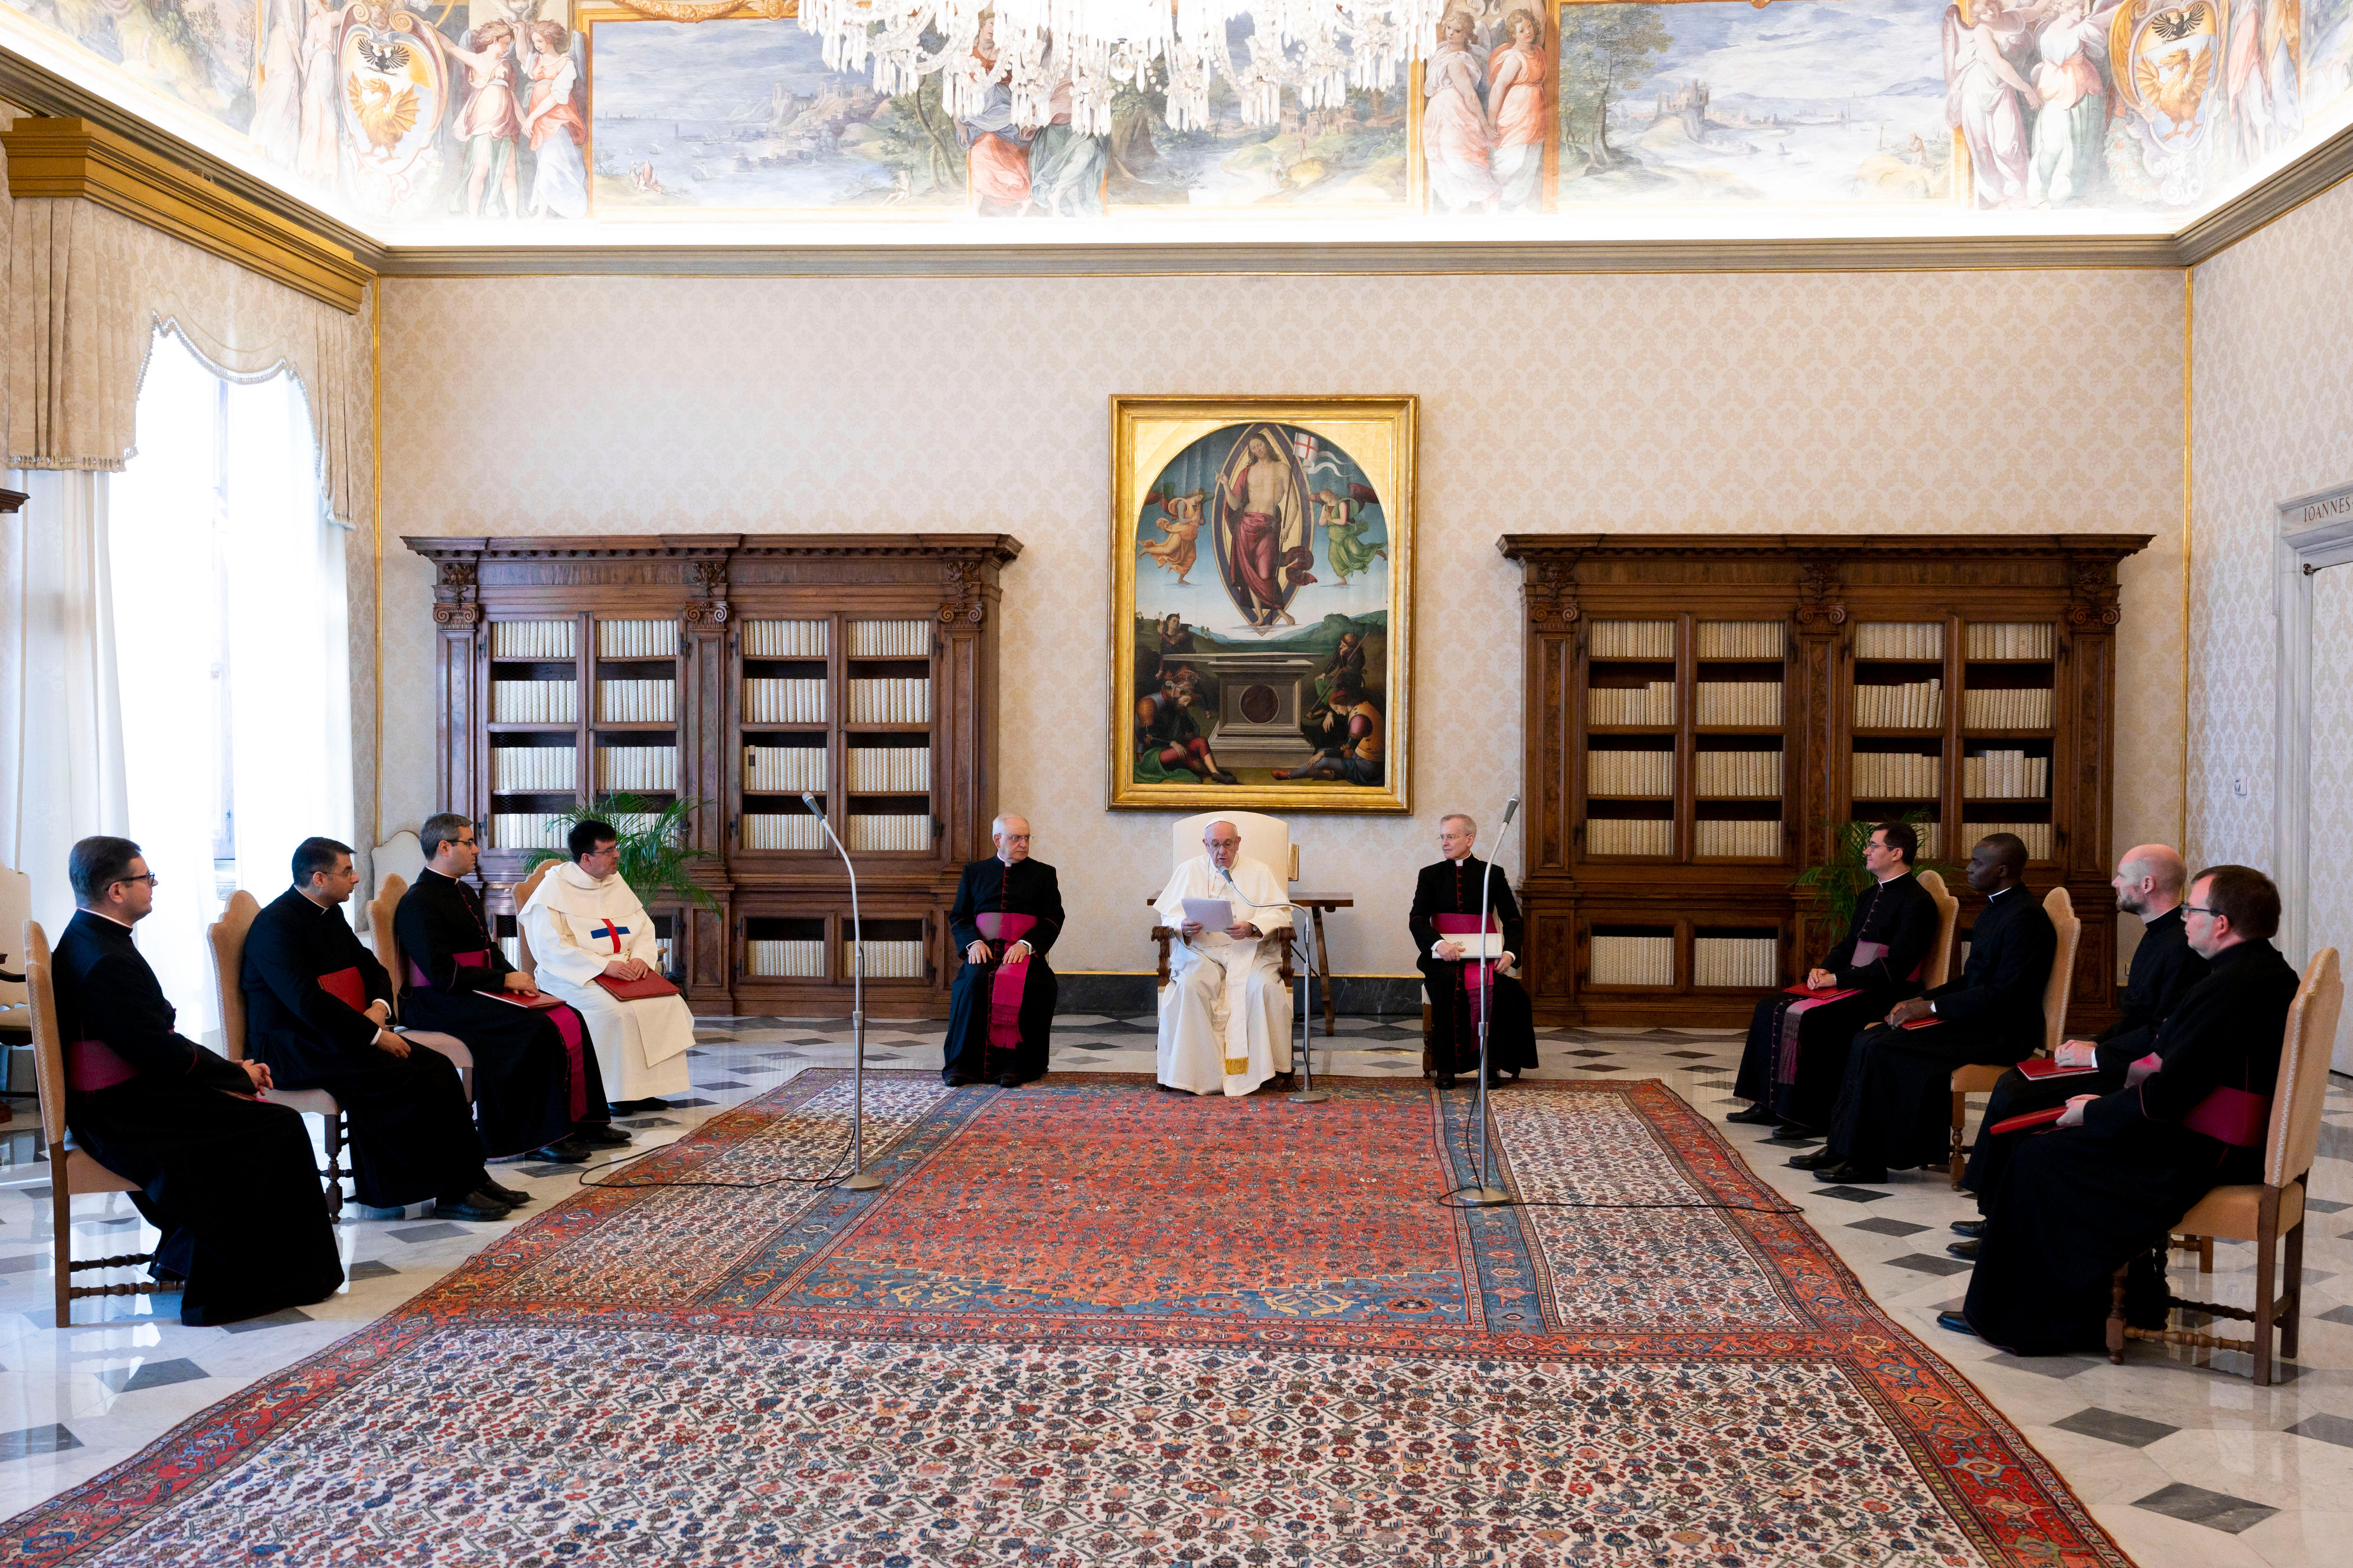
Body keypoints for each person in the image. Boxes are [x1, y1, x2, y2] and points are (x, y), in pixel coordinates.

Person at [1950, 866, 2300, 1354]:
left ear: (2222, 923)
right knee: (2048, 1147)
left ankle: (2045, 1319)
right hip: (2222, 1137)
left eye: (2193, 910)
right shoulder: (2266, 971)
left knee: (2040, 1158)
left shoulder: (2228, 987)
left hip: (2208, 1148)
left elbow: (2171, 1092)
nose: (2185, 918)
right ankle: (2127, 1300)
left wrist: (2095, 1112)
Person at [51, 836, 344, 1325]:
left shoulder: (90, 936)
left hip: (122, 1097)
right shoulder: (105, 958)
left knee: (268, 1123)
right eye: (146, 878)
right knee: (277, 1126)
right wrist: (236, 1074)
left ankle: (195, 1253)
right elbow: (159, 1050)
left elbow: (152, 1041)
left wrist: (226, 1076)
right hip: (124, 1113)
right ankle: (252, 1281)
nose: (153, 885)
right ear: (116, 890)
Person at [244, 837, 525, 1221]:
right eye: (347, 871)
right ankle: (443, 1189)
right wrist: (374, 1036)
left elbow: (371, 966)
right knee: (401, 1076)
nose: (356, 878)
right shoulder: (276, 926)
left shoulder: (328, 912)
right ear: (319, 878)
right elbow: (307, 1002)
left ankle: (471, 1175)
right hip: (288, 1047)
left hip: (333, 1034)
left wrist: (379, 1007)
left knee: (438, 1067)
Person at [1953, 844, 2206, 1251]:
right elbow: (2135, 1020)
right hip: (2125, 1056)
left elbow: (2164, 1032)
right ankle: (1997, 1213)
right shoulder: (2158, 934)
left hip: (2141, 1077)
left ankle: (2004, 1223)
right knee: (2016, 1082)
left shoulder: (2180, 946)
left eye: (2121, 876)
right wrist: (2095, 1042)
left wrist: (2096, 1055)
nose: (2113, 883)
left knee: (2019, 1092)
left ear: (2147, 884)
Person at [1792, 833, 2055, 1184]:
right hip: (1978, 1018)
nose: (1969, 868)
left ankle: (1868, 1160)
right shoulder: (1997, 908)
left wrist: (1932, 1007)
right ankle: (1842, 1147)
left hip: (2001, 1031)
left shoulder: (2025, 917)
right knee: (1867, 1039)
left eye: (1977, 863)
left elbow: (2004, 995)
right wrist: (1922, 1000)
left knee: (1883, 1047)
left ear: (2003, 870)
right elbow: (1972, 980)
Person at [395, 813, 625, 1164]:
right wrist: (502, 981)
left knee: (569, 1015)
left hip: (472, 989)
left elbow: (489, 950)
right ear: (444, 847)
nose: (476, 850)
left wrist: (516, 977)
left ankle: (585, 1121)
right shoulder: (418, 901)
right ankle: (540, 1137)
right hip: (436, 1000)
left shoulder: (463, 891)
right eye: (469, 842)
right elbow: (441, 974)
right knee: (534, 1028)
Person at [1728, 823, 1939, 1132]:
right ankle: (1769, 1103)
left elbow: (1897, 966)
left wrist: (1838, 980)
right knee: (1769, 1007)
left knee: (1815, 1019)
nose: (1866, 851)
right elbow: (1848, 945)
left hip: (1888, 989)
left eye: (1874, 845)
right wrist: (1824, 969)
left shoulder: (1918, 902)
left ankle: (1808, 1116)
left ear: (1897, 853)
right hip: (1854, 980)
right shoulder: (1870, 894)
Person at [519, 819, 694, 1113]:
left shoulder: (615, 881)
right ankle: (613, 1093)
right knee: (615, 1012)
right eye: (609, 850)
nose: (617, 855)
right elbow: (550, 948)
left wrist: (641, 958)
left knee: (665, 1003)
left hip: (626, 970)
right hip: (574, 976)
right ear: (586, 858)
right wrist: (602, 967)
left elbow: (644, 927)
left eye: (616, 848)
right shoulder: (553, 889)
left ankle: (647, 1089)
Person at [1155, 820, 1295, 1096]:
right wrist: (1183, 925)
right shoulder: (1188, 870)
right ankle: (1194, 1074)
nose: (1221, 852)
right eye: (1215, 845)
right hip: (1201, 953)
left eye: (1228, 844)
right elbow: (1167, 914)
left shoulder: (1259, 871)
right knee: (1191, 986)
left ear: (1238, 843)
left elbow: (1280, 913)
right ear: (1205, 845)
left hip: (1250, 953)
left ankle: (1268, 1071)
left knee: (1262, 987)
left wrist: (1253, 927)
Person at [1410, 813, 1538, 1091]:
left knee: (1500, 988)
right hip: (1442, 956)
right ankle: (1446, 1067)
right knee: (1447, 983)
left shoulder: (1492, 873)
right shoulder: (1430, 875)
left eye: (1451, 837)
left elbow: (1513, 920)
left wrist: (1510, 954)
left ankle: (1490, 1065)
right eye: (1442, 837)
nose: (1444, 843)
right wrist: (1438, 944)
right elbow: (1417, 919)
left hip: (1484, 954)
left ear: (1470, 840)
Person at [943, 814, 1064, 1087]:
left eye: (1027, 838)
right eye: (1016, 838)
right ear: (998, 840)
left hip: (1022, 951)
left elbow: (1053, 918)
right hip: (984, 949)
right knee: (973, 982)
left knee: (1032, 984)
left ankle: (1016, 1067)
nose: (1024, 844)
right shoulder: (975, 873)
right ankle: (962, 1066)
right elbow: (960, 916)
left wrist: (1026, 944)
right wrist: (973, 943)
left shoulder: (1044, 874)